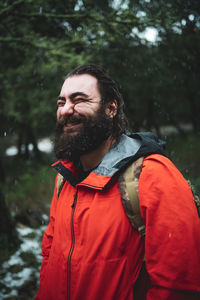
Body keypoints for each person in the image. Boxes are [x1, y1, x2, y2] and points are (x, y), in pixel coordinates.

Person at [35, 64, 200, 300]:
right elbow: (50, 256)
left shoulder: (153, 176)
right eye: (61, 103)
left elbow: (179, 286)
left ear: (111, 108)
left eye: (79, 100)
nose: (66, 110)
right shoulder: (64, 177)